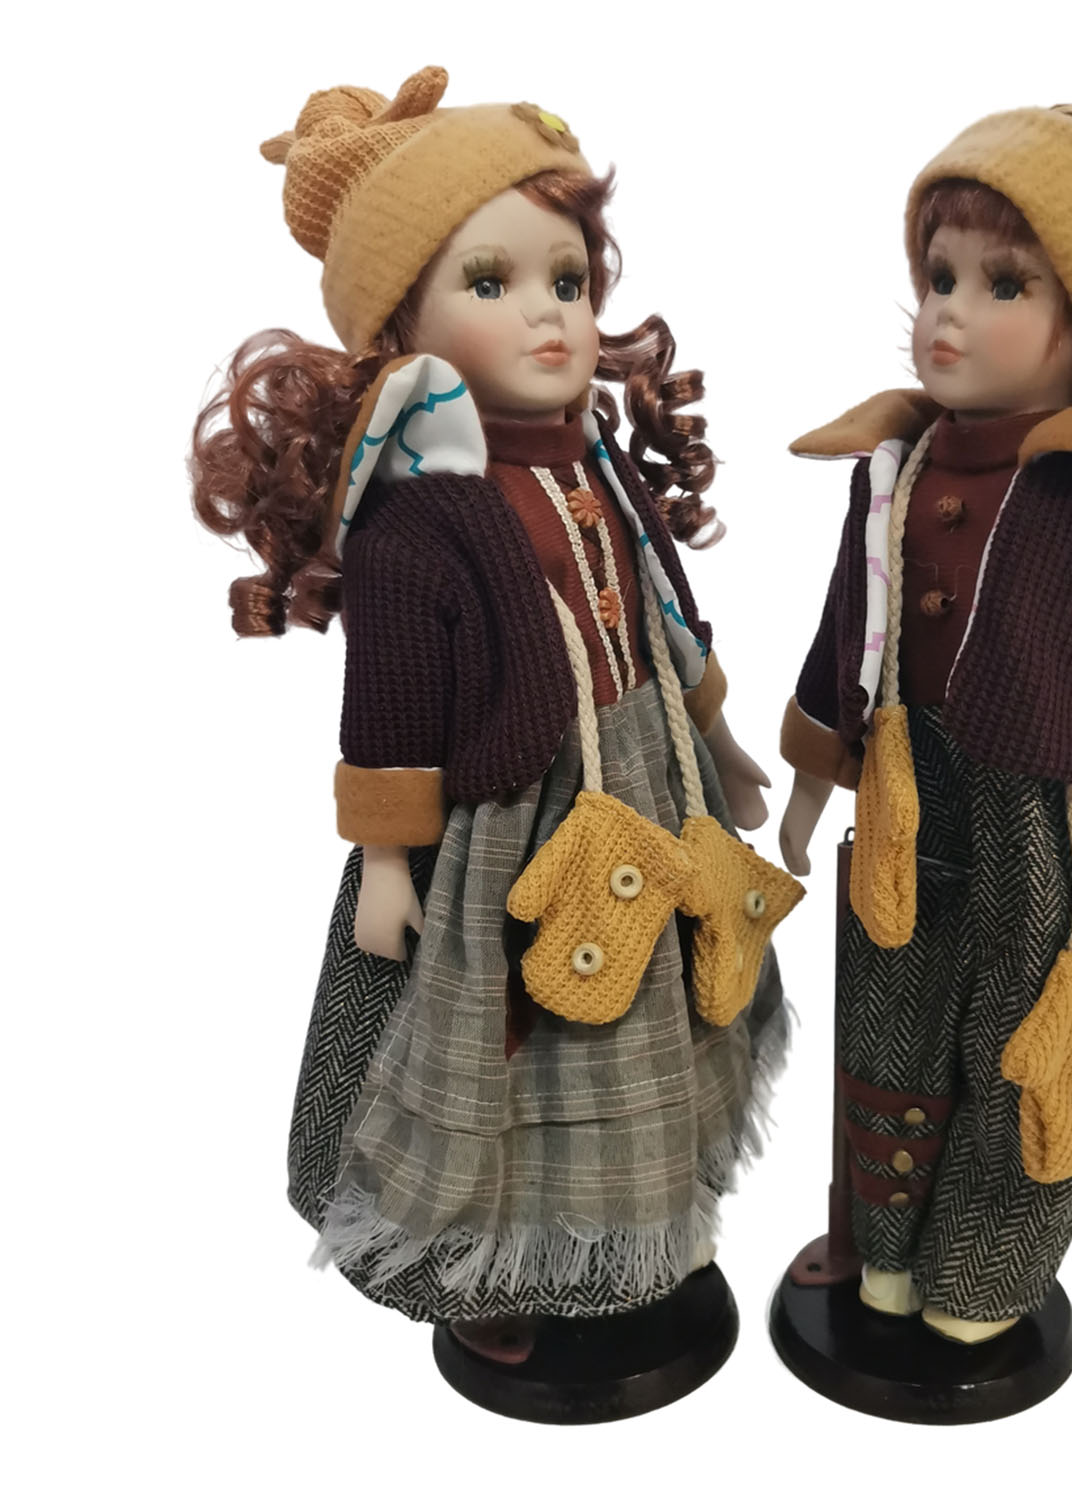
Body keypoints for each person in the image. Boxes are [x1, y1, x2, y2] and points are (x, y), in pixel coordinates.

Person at [190, 66, 793, 1334]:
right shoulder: (420, 520)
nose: (547, 316)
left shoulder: (598, 465)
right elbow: (390, 713)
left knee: (664, 1018)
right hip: (506, 824)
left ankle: (640, 1234)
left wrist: (721, 740)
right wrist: (388, 864)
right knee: (518, 1046)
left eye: (567, 280)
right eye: (489, 282)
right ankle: (499, 1265)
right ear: (402, 326)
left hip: (651, 775)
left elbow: (662, 613)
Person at [778, 58, 1072, 1344]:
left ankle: (983, 1278)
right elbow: (847, 632)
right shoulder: (895, 464)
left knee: (1029, 1042)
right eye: (939, 276)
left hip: (1053, 817)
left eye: (1004, 286)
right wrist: (814, 779)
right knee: (889, 1010)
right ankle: (886, 1254)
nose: (947, 314)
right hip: (903, 785)